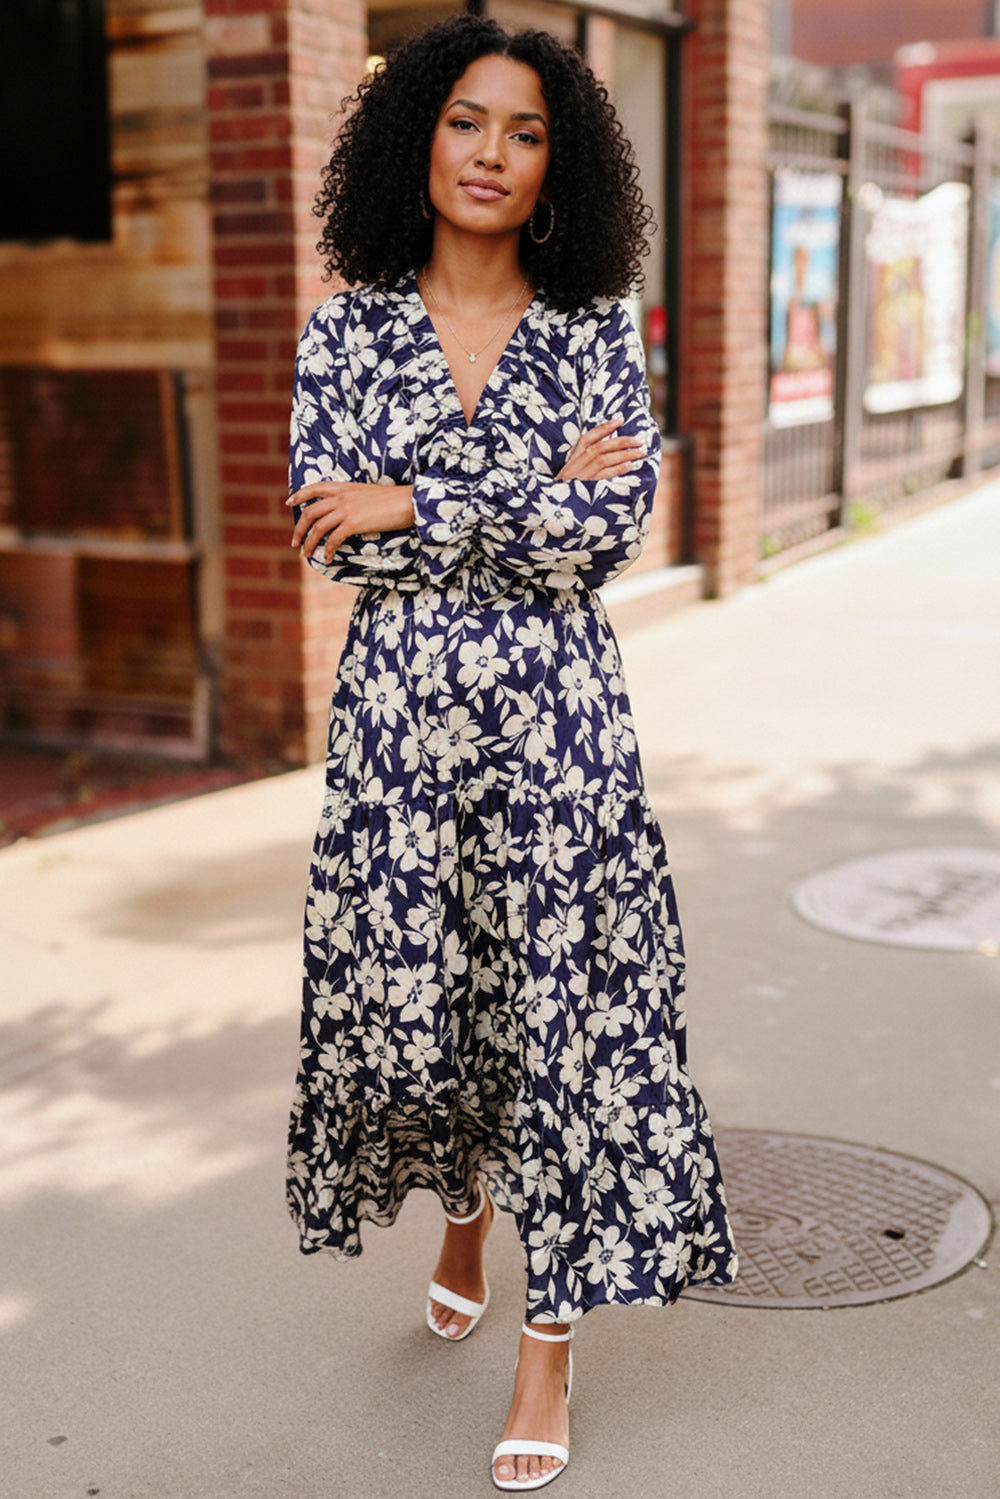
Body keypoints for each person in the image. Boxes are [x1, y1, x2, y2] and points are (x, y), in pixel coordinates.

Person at [284, 15, 737, 1491]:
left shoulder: (596, 322)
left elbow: (605, 533)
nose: (492, 154)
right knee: (434, 1007)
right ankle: (462, 1208)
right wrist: (520, 487)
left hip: (560, 739)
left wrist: (409, 504)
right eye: (469, 121)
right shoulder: (345, 326)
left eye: (527, 133)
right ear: (419, 135)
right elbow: (318, 524)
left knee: (563, 1032)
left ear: (562, 170)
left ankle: (549, 1354)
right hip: (400, 746)